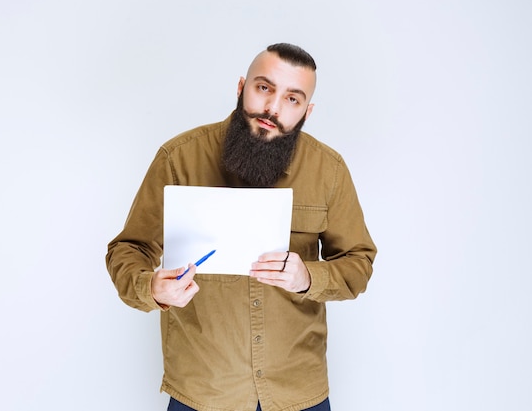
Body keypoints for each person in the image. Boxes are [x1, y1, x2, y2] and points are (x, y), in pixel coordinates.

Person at [106, 43, 376, 411]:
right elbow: (128, 249)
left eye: (292, 99)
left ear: (307, 112)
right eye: (264, 88)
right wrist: (150, 287)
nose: (273, 108)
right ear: (240, 87)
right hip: (203, 390)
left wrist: (309, 278)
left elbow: (358, 262)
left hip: (297, 391)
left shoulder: (328, 170)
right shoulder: (178, 158)